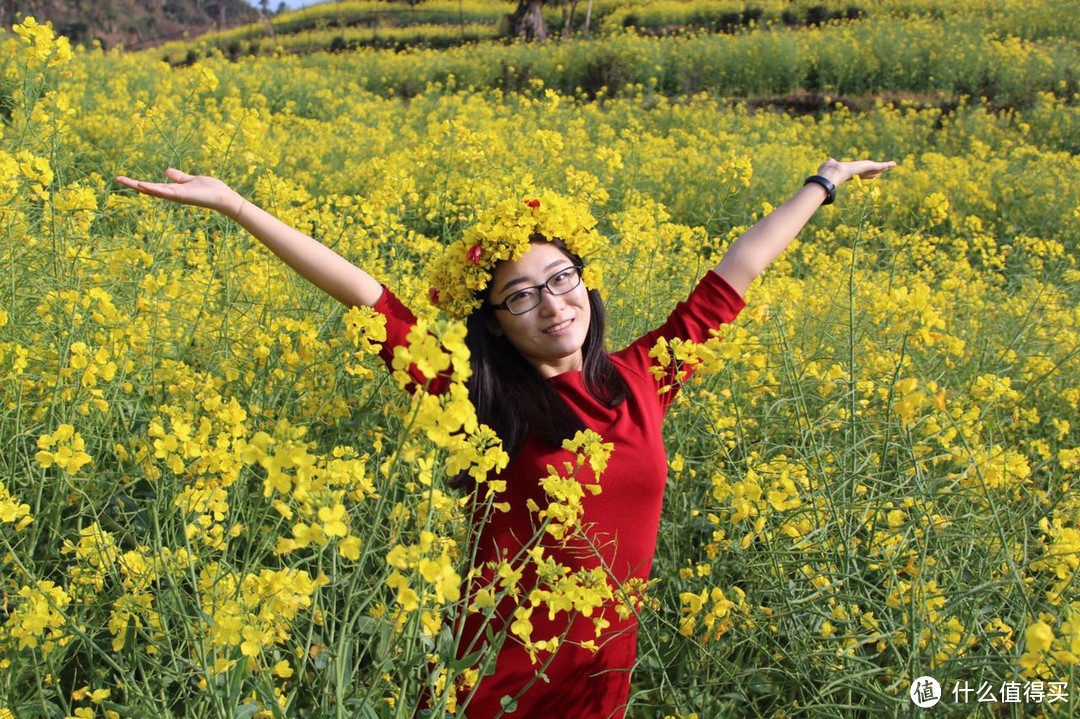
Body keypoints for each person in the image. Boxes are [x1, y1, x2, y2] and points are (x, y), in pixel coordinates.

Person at [115, 158, 895, 717]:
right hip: (498, 674)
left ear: (586, 284)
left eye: (562, 280)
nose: (553, 305)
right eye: (521, 296)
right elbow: (366, 295)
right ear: (493, 321)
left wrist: (822, 182)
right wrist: (238, 207)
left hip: (600, 674)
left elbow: (738, 270)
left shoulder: (642, 378)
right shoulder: (476, 398)